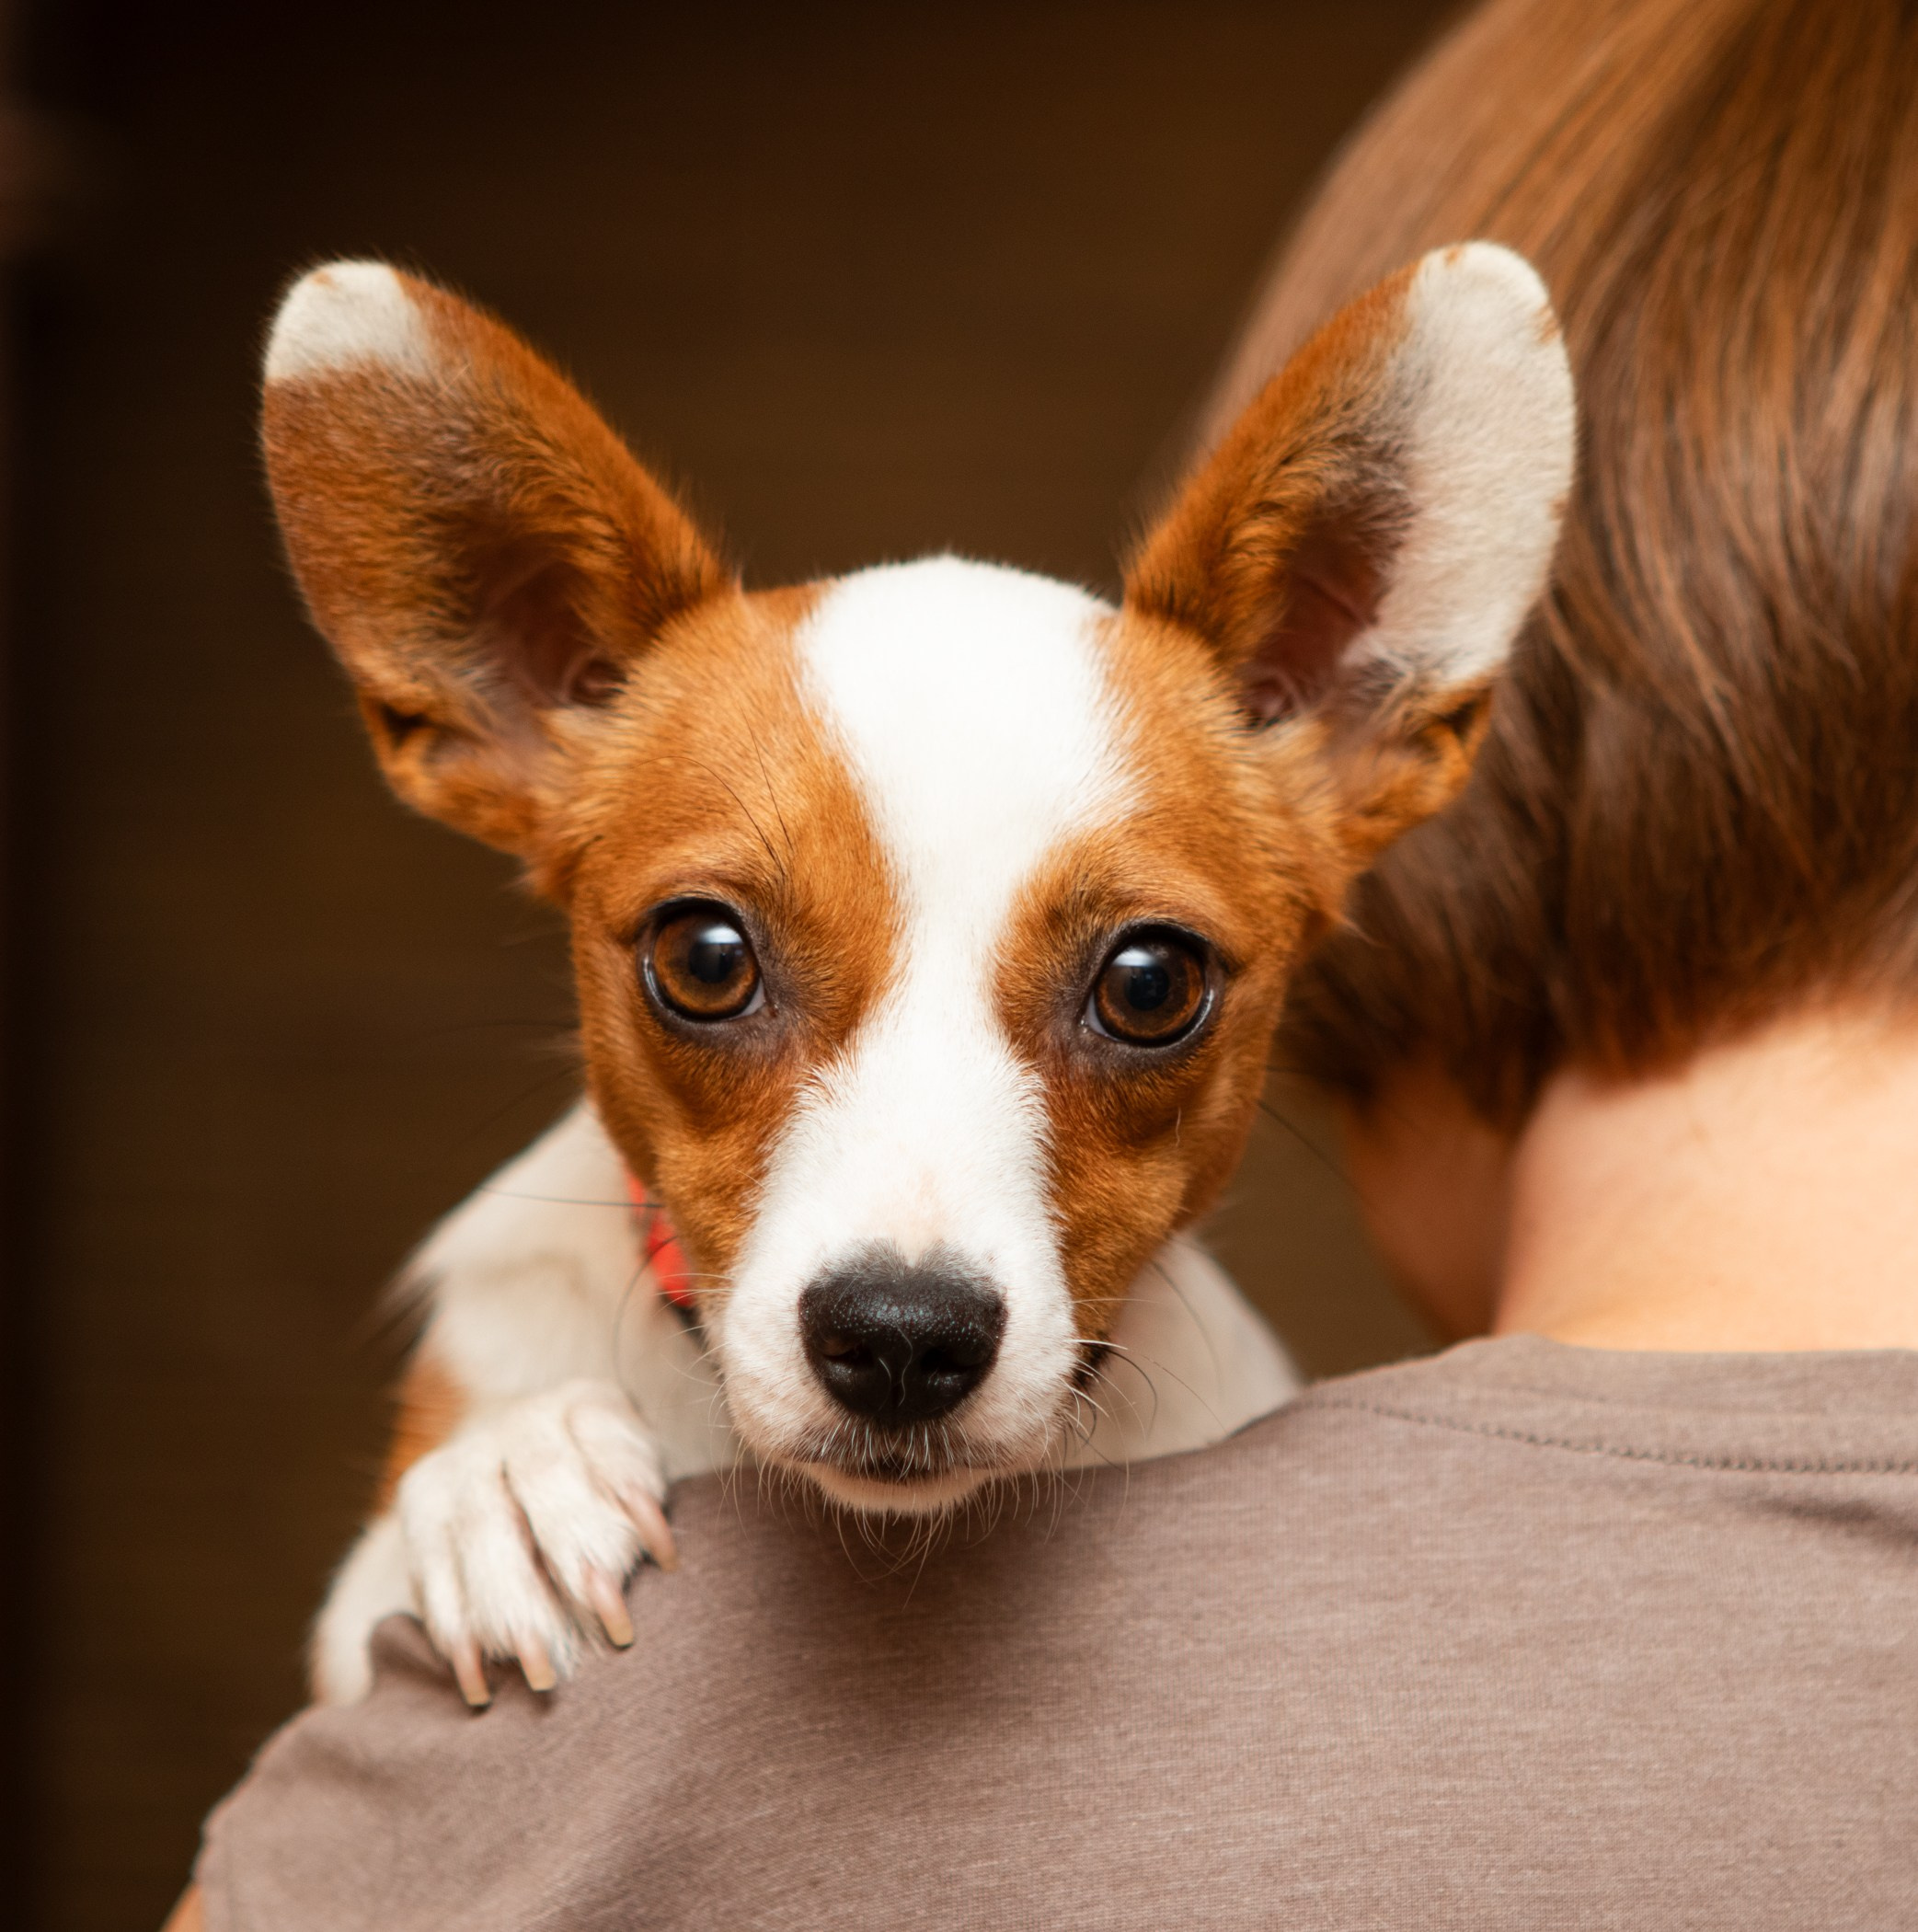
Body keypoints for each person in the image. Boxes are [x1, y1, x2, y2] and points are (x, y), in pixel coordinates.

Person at [171, 0, 1918, 1923]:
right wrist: (459, 1495)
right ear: (513, 696)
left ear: (1347, 711)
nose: (910, 1277)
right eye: (713, 965)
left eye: (1137, 993)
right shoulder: (511, 1365)